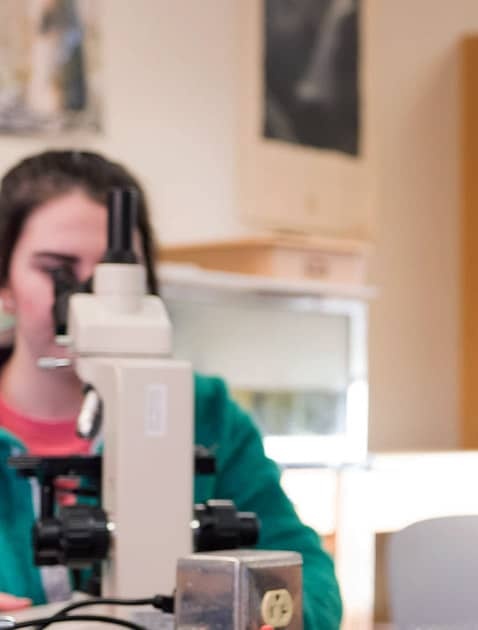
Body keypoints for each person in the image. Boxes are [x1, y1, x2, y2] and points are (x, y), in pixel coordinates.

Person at [0, 150, 342, 629]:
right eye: (56, 270)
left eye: (112, 273)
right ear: (4, 283)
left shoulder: (208, 416)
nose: (85, 297)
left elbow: (309, 579)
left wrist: (261, 609)